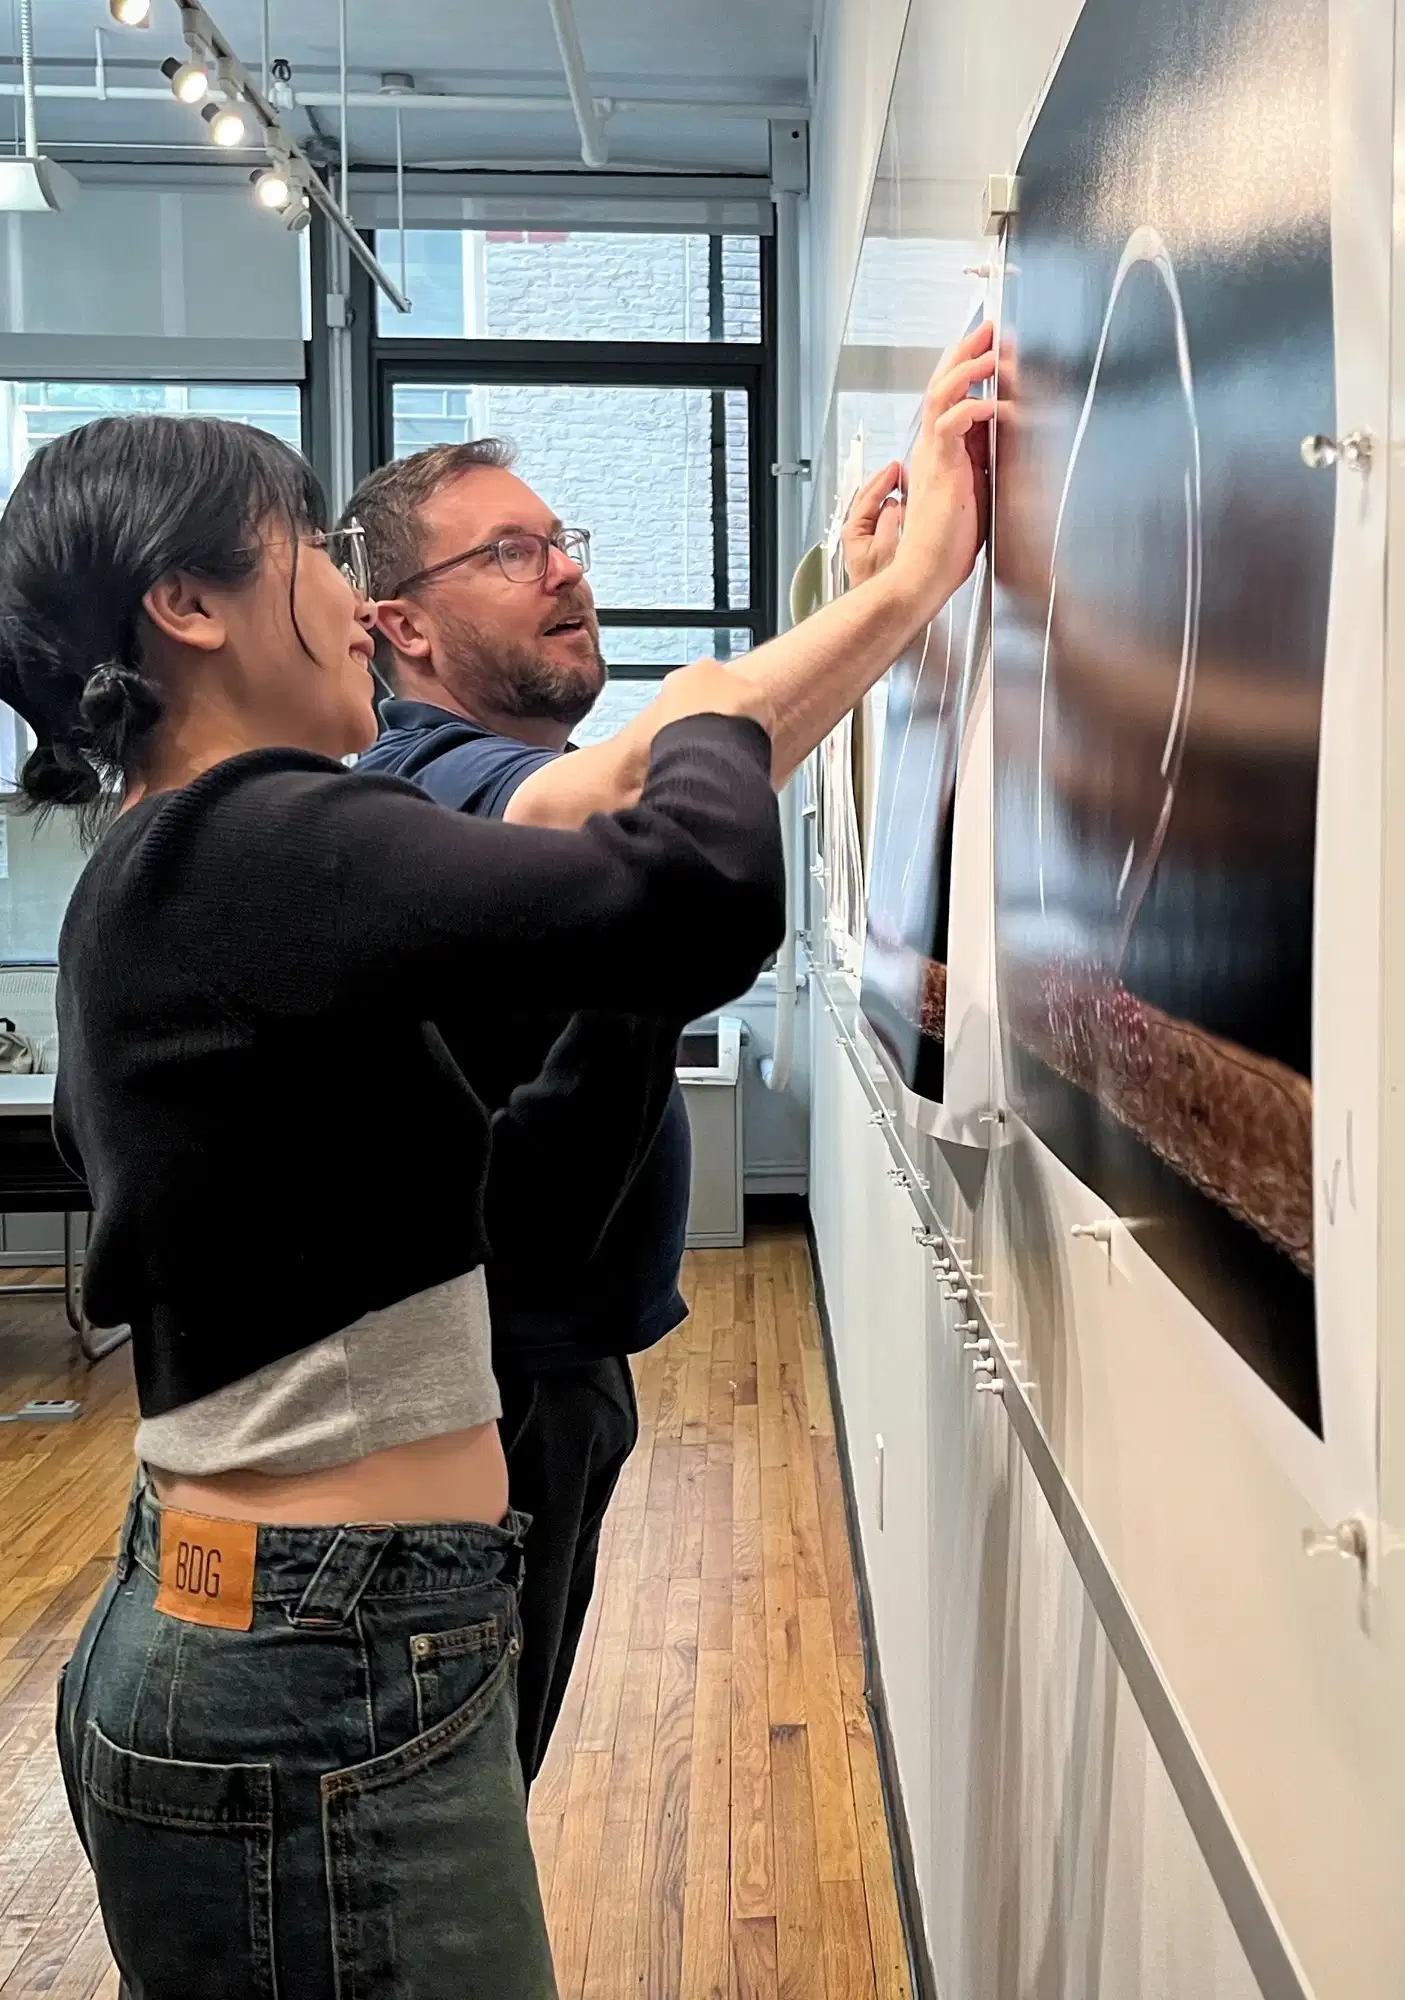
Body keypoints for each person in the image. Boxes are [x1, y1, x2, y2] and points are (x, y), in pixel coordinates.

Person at [0, 401, 959, 1993]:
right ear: (191, 604)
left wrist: (884, 602)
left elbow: (569, 868)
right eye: (308, 552)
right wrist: (712, 702)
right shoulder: (258, 841)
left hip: (286, 1634)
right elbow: (683, 896)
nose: (356, 606)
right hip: (312, 1660)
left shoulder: (178, 866)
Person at [337, 325, 993, 1779]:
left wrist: (866, 601)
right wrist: (916, 583)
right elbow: (653, 786)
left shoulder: (490, 781)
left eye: (558, 538)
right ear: (402, 627)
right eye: (508, 555)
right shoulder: (434, 787)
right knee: (449, 1796)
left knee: (476, 1778)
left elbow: (684, 798)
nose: (566, 568)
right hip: (490, 1385)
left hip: (542, 1360)